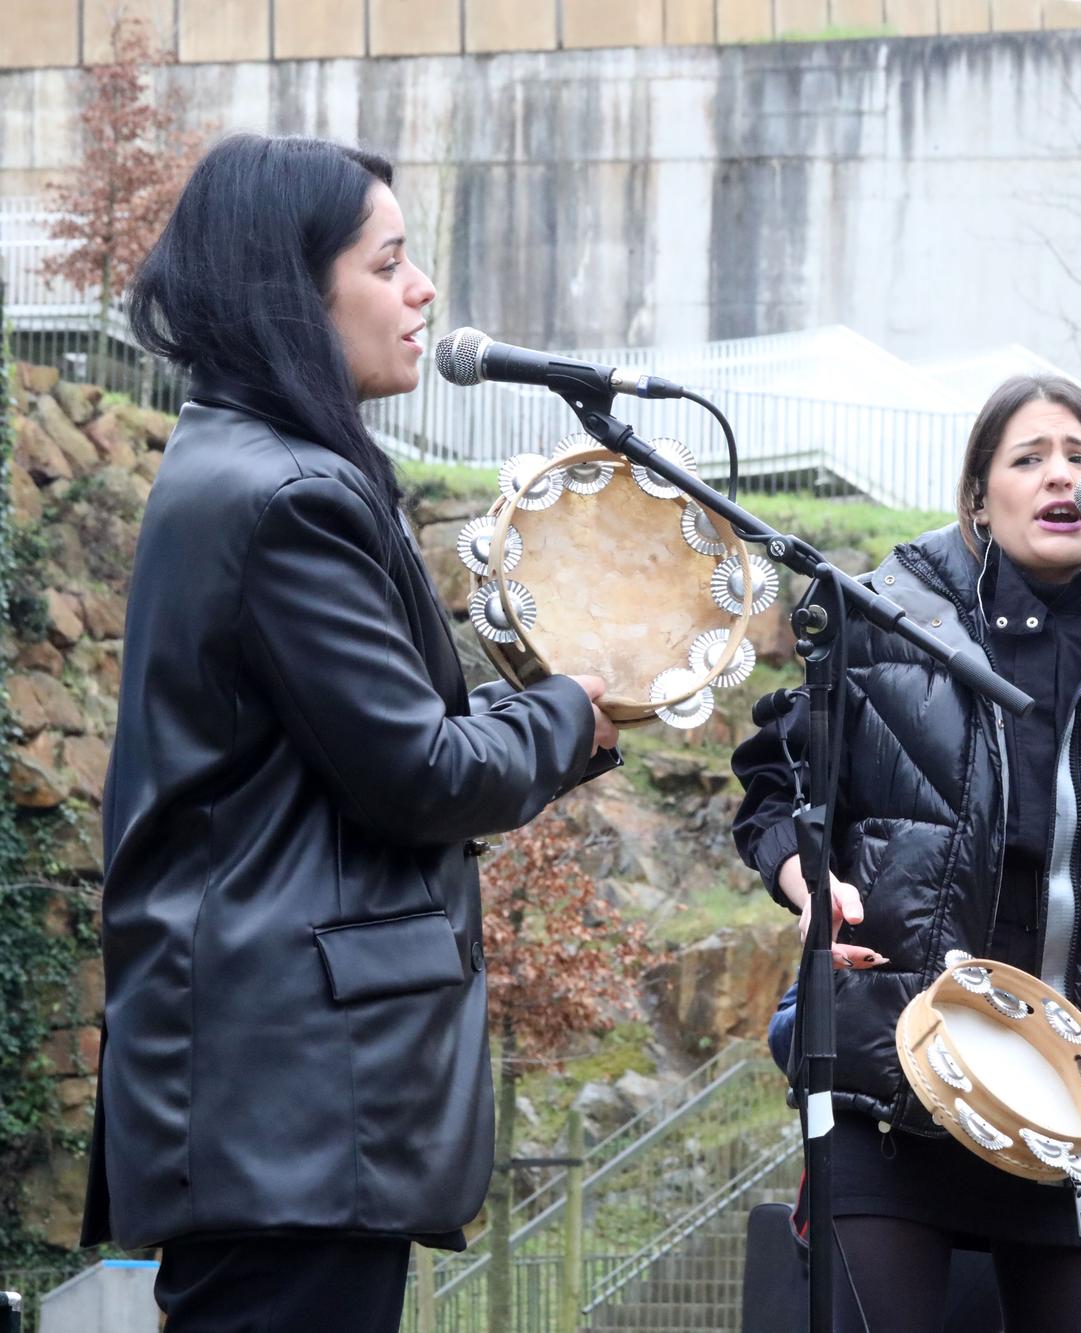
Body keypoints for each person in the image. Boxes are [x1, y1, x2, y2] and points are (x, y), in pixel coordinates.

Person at [82, 134, 619, 1332]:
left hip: (273, 1105)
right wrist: (573, 706)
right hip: (294, 1107)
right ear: (294, 289)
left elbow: (379, 742)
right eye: (390, 262)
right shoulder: (287, 497)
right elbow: (418, 771)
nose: (423, 289)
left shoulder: (248, 469)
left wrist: (557, 717)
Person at [731, 373, 1081, 1333]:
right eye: (1030, 458)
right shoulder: (884, 619)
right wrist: (808, 887)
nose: (1061, 475)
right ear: (980, 495)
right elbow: (778, 784)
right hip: (891, 1082)